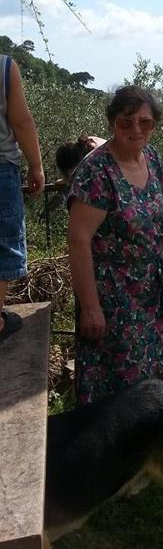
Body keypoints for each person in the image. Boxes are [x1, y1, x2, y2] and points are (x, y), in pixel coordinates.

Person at [67, 85, 163, 405]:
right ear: (112, 123)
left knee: (154, 386)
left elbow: (150, 207)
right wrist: (90, 308)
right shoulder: (96, 171)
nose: (136, 129)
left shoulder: (153, 159)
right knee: (116, 395)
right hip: (112, 301)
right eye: (126, 122)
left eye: (145, 122)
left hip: (151, 293)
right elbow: (78, 241)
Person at [0, 54, 45, 342]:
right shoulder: (4, 67)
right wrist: (36, 166)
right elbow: (22, 122)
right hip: (1, 168)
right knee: (2, 245)